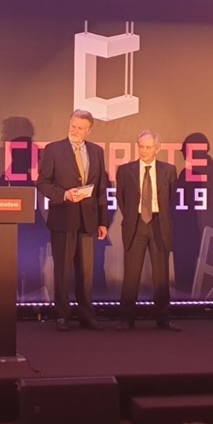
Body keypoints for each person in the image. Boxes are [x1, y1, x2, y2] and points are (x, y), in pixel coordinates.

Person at [36, 109, 108, 331]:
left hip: (88, 220)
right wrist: (64, 195)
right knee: (63, 270)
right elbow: (43, 183)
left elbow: (101, 189)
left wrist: (102, 221)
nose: (74, 130)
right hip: (63, 218)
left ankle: (86, 314)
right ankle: (62, 315)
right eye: (72, 126)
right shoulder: (53, 150)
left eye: (80, 128)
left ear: (89, 130)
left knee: (86, 273)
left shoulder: (96, 151)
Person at [115, 130, 180, 332]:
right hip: (135, 224)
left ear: (157, 149)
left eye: (148, 147)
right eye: (141, 146)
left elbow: (171, 198)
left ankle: (163, 319)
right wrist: (133, 217)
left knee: (161, 275)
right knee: (131, 275)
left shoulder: (169, 170)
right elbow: (121, 198)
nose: (144, 151)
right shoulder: (125, 170)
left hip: (159, 224)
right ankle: (126, 319)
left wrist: (157, 214)